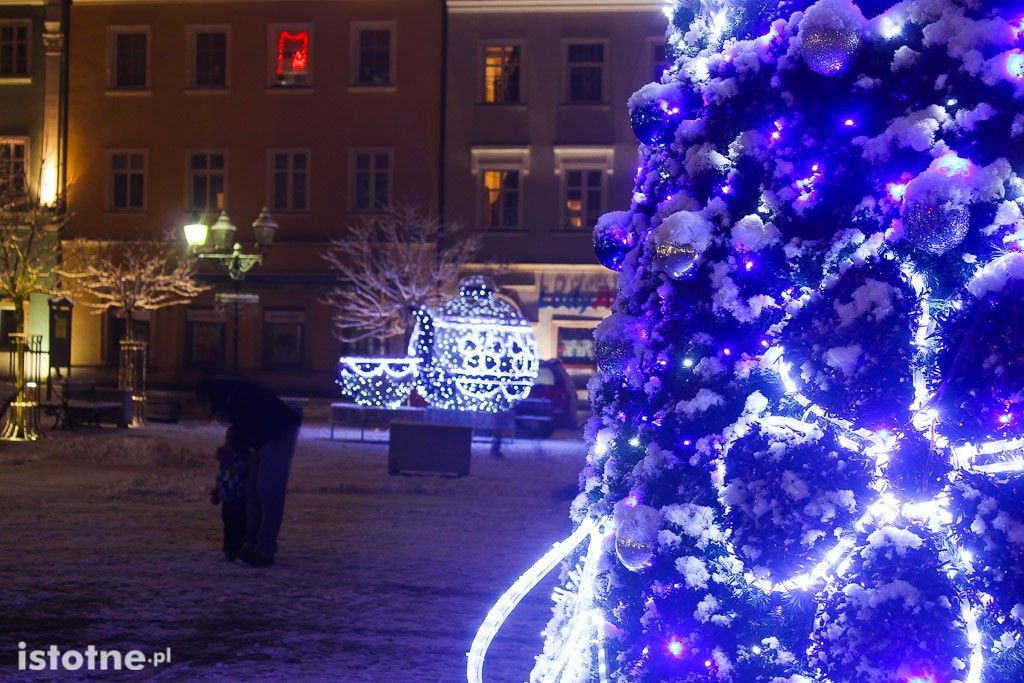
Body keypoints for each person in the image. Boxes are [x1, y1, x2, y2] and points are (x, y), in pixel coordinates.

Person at [198, 377, 301, 567]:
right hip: (264, 437)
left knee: (267, 493)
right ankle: (251, 545)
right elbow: (241, 428)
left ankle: (264, 550)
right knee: (252, 492)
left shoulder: (237, 400)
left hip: (277, 435)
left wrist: (235, 447)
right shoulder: (235, 396)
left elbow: (244, 426)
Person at [209, 438, 248, 561]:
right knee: (229, 524)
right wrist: (217, 491)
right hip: (229, 499)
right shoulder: (226, 463)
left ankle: (235, 549)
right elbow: (221, 478)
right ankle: (229, 549)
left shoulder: (241, 463)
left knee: (236, 525)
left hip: (238, 500)